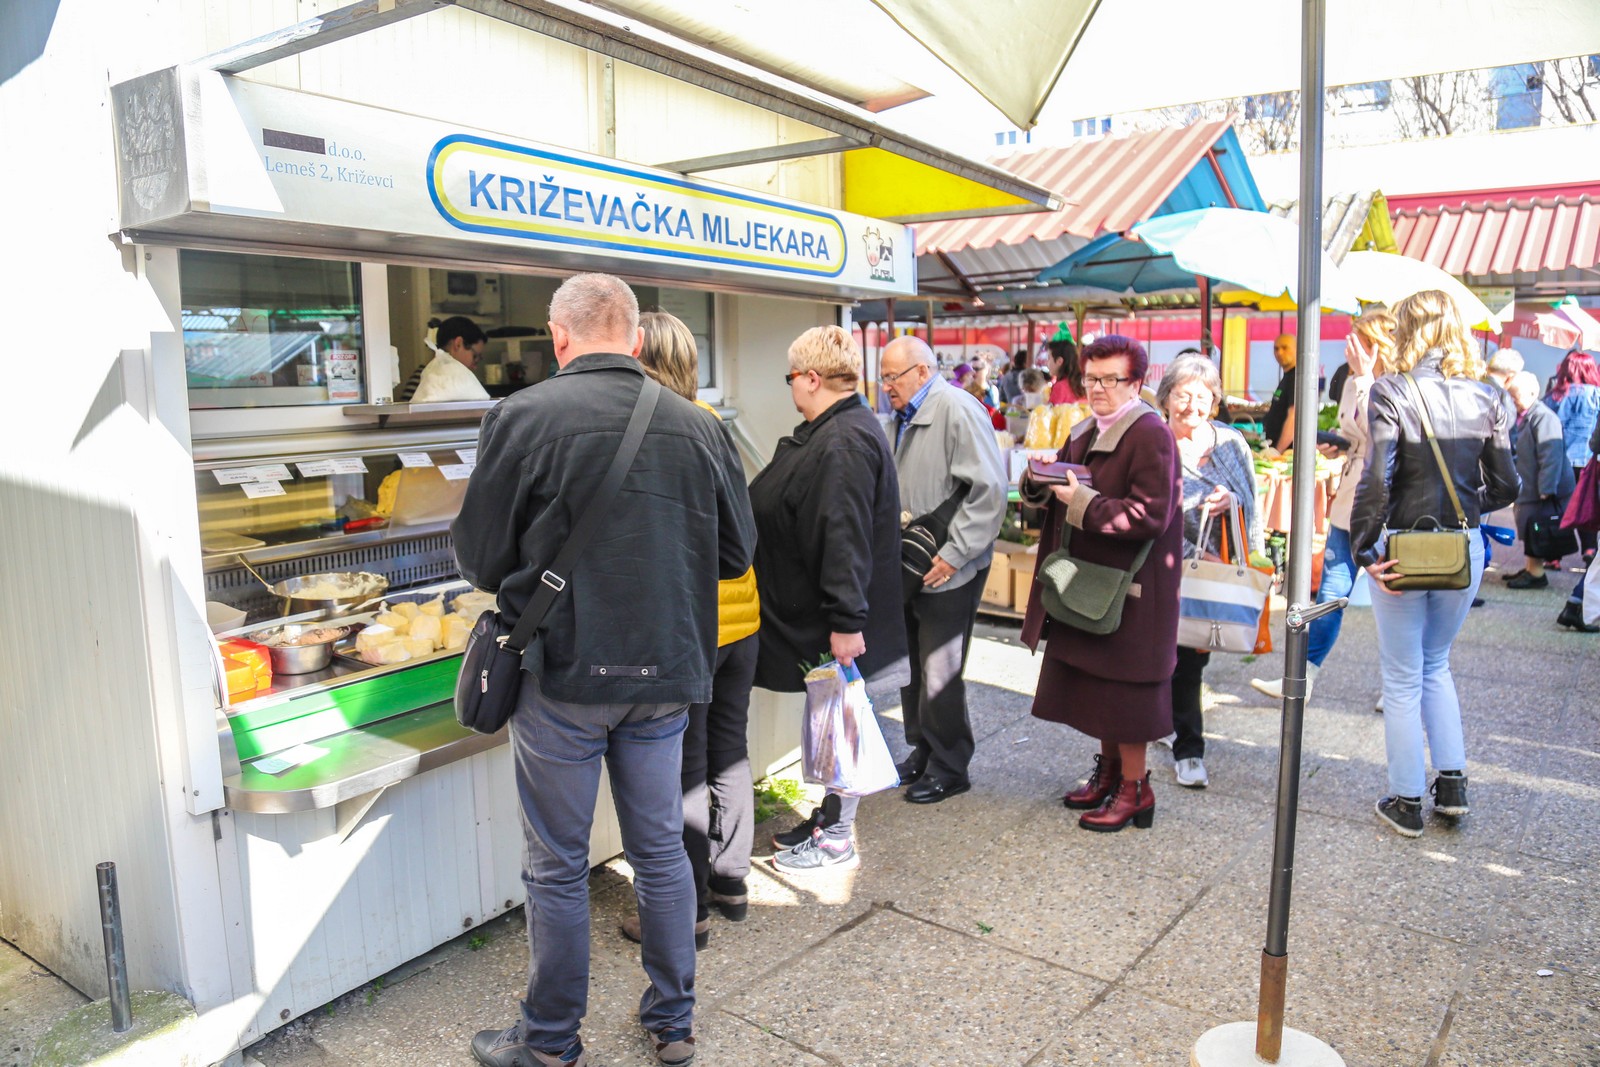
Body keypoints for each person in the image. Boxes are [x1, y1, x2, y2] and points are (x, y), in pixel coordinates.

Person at [455, 274, 756, 1067]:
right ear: (631, 335)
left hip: (563, 676)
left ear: (560, 338)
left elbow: (481, 556)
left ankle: (550, 1041)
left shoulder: (520, 415)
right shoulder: (702, 425)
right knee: (659, 848)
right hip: (667, 676)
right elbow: (735, 554)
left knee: (556, 863)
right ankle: (674, 1023)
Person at [614, 311, 761, 948]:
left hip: (697, 628)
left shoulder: (650, 430)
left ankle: (689, 910)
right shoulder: (712, 424)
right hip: (743, 618)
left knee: (688, 770)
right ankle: (730, 881)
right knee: (730, 749)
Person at [1349, 290, 1518, 839]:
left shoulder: (1390, 389)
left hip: (1402, 545)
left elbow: (1377, 477)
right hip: (1461, 548)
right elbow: (1507, 484)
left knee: (1401, 678)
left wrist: (1365, 548)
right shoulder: (1488, 395)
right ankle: (1452, 786)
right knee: (1436, 664)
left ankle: (1405, 800)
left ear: (1403, 329)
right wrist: (1466, 509)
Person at [751, 326, 909, 871]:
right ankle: (831, 815)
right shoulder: (836, 430)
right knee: (833, 719)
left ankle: (839, 835)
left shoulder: (841, 441)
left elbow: (843, 537)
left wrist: (846, 620)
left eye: (792, 377)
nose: (790, 386)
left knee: (843, 722)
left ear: (812, 378)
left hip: (831, 617)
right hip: (824, 610)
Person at [1020, 335, 1181, 831]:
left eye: (1111, 379)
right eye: (1091, 378)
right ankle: (1111, 774)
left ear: (1136, 383)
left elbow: (1151, 515)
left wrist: (1080, 505)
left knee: (1126, 695)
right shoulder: (1087, 427)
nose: (1098, 388)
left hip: (1135, 591)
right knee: (1100, 689)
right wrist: (1038, 481)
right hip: (1093, 585)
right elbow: (1065, 484)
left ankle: (1136, 789)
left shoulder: (1152, 434)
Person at [878, 336, 1008, 803]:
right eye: (884, 376)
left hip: (950, 565)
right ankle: (924, 751)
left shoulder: (956, 407)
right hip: (915, 562)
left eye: (893, 376)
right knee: (914, 665)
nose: (887, 385)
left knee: (940, 670)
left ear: (921, 371)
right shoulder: (905, 415)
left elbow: (990, 489)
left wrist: (956, 553)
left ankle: (950, 765)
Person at [1252, 308, 1395, 704]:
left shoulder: (1392, 381)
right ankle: (1303, 675)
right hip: (1350, 496)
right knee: (1331, 591)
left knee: (1391, 597)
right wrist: (1341, 443)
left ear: (1380, 344)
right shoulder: (1353, 379)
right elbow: (1359, 432)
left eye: (1362, 339)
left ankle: (1398, 684)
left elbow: (1381, 430)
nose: (1352, 345)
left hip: (1382, 501)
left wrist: (1365, 377)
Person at [1157, 354, 1260, 790]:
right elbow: (1150, 511)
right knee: (1172, 658)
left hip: (1212, 572)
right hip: (1161, 567)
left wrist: (1229, 501)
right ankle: (1182, 740)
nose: (1192, 406)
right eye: (1183, 395)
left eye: (1203, 397)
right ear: (1166, 398)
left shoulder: (1231, 443)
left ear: (1215, 402)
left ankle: (1183, 740)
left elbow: (1251, 502)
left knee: (1193, 655)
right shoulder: (1155, 443)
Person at [1504, 371, 1576, 591]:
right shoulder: (1528, 415)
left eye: (1517, 397)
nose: (1514, 401)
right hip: (1531, 485)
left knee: (1535, 528)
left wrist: (1547, 488)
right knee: (1528, 527)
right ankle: (1530, 568)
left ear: (1533, 393)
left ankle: (1536, 573)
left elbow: (1550, 455)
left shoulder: (1544, 417)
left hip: (1542, 488)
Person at [1544, 349, 1600, 564]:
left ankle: (1554, 556)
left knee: (1559, 507)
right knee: (1587, 504)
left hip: (1560, 460)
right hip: (1589, 461)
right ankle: (1589, 549)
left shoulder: (1556, 396)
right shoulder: (1597, 395)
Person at [398, 315, 489, 402]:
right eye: (475, 356)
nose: (475, 366)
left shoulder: (467, 382)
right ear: (458, 344)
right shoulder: (423, 378)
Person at [1260, 333, 1298, 452]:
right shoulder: (1288, 376)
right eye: (1276, 348)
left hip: (1288, 454)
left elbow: (1294, 417)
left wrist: (1278, 451)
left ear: (1297, 349)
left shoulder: (1296, 377)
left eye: (1285, 348)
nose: (1279, 353)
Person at [1046, 336, 1082, 405]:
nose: (1046, 362)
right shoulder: (1081, 384)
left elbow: (1050, 413)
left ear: (1059, 361)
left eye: (1049, 358)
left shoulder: (1060, 387)